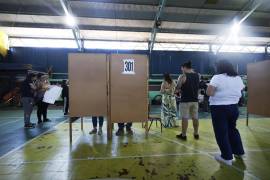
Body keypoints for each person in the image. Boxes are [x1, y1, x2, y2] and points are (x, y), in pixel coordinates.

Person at [206, 60, 245, 166]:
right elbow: (241, 91)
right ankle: (239, 151)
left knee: (221, 132)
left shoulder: (217, 77)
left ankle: (226, 157)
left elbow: (209, 93)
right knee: (232, 129)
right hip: (234, 107)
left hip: (219, 108)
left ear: (220, 67)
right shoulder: (238, 78)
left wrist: (210, 87)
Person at [175, 61, 200, 140]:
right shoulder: (198, 75)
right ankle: (196, 133)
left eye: (182, 69)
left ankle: (184, 135)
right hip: (195, 100)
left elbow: (178, 88)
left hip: (185, 100)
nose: (181, 70)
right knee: (195, 117)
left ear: (184, 68)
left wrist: (176, 91)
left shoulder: (182, 76)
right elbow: (198, 88)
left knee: (185, 118)